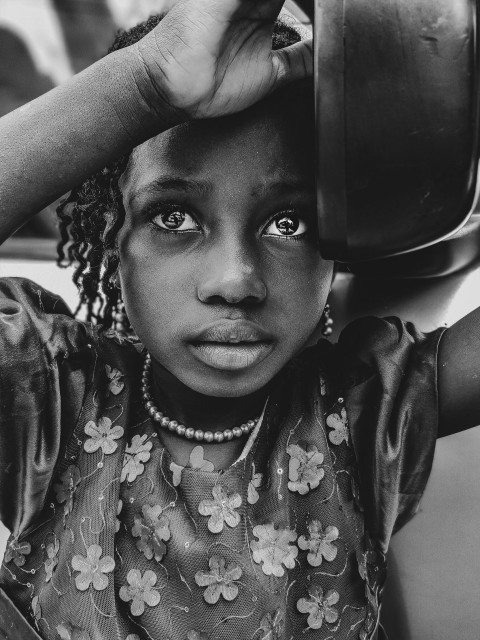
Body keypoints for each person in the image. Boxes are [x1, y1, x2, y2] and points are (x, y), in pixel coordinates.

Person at [0, 1, 478, 639]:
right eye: (174, 217)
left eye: (288, 223)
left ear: (336, 243)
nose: (236, 280)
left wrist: (434, 70)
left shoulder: (366, 408)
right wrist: (149, 81)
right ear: (114, 237)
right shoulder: (49, 397)